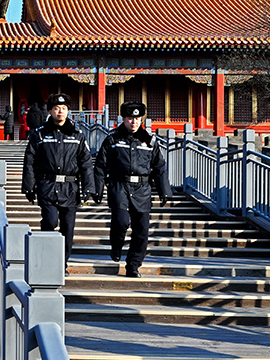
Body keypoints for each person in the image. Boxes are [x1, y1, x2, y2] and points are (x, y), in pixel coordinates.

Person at [95, 101, 169, 277]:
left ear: (141, 119)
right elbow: (100, 165)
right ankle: (116, 245)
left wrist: (164, 190)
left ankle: (133, 265)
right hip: (119, 186)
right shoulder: (112, 139)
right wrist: (97, 188)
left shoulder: (150, 141)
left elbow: (159, 167)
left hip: (142, 188)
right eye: (130, 118)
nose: (133, 122)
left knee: (141, 230)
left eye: (137, 118)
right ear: (123, 119)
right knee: (121, 221)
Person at [21, 94, 93, 249]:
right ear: (50, 111)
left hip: (70, 188)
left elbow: (86, 163)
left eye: (64, 108)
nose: (60, 111)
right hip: (47, 185)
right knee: (50, 220)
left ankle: (63, 259)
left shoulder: (77, 135)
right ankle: (47, 254)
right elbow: (30, 161)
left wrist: (88, 187)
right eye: (56, 108)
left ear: (68, 111)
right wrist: (28, 186)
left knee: (68, 226)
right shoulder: (40, 134)